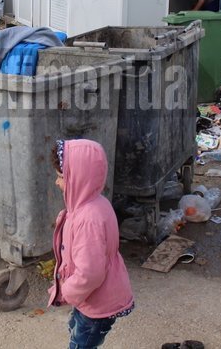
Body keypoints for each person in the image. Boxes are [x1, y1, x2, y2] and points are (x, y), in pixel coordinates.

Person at [48, 139, 134, 349]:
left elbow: (91, 274)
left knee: (81, 344)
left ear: (79, 179)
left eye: (61, 177)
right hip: (89, 298)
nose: (56, 183)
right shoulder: (95, 203)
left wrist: (67, 291)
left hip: (97, 302)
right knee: (76, 329)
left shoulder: (88, 219)